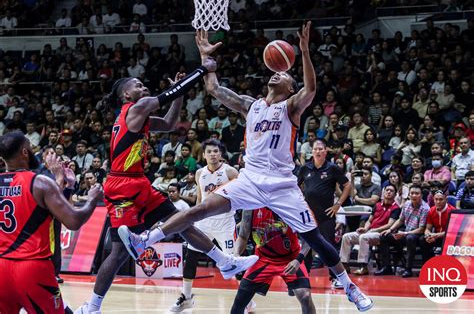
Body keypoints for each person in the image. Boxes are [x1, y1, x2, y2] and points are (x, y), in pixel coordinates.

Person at [119, 25, 373, 312]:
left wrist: (303, 51)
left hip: (281, 184)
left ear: (290, 87)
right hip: (250, 180)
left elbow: (311, 88)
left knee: (313, 237)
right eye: (276, 73)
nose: (277, 75)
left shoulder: (291, 107)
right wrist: (206, 61)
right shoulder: (250, 106)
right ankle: (145, 241)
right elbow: (213, 89)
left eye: (285, 76)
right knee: (199, 209)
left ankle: (350, 287)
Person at [75, 61, 257, 314]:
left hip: (139, 182)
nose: (143, 85)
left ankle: (224, 261)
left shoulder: (141, 117)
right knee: (118, 252)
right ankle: (91, 308)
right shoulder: (136, 107)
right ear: (127, 95)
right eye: (137, 84)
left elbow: (171, 122)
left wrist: (179, 94)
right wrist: (203, 70)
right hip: (121, 186)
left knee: (181, 221)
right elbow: (168, 95)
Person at [0, 131, 102, 313]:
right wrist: (92, 199)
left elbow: (39, 209)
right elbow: (73, 221)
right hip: (32, 267)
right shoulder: (39, 182)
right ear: (25, 152)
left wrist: (65, 184)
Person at [170, 139, 239, 312]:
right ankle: (186, 298)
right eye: (209, 152)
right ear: (204, 154)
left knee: (235, 264)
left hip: (225, 223)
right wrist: (195, 220)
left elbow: (240, 196)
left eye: (216, 151)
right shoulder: (200, 173)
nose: (213, 154)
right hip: (205, 222)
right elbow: (200, 200)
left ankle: (245, 300)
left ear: (221, 153)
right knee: (191, 258)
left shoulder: (230, 172)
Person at [231, 207, 316, 314]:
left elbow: (310, 237)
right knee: (240, 298)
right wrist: (236, 254)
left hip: (291, 258)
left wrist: (298, 260)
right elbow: (243, 236)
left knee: (305, 296)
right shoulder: (251, 207)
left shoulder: (291, 204)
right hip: (263, 258)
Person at [298, 139, 352, 288]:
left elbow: (347, 186)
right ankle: (304, 277)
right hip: (308, 216)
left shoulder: (332, 168)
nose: (318, 151)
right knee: (305, 246)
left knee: (329, 246)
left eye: (321, 149)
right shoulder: (305, 168)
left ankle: (336, 278)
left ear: (325, 151)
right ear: (312, 151)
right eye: (315, 149)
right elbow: (295, 187)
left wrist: (338, 204)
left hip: (326, 216)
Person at [340, 185, 401, 275]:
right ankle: (345, 265)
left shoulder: (396, 208)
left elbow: (389, 225)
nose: (388, 192)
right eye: (387, 190)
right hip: (370, 232)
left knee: (364, 237)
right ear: (383, 192)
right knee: (346, 236)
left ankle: (363, 266)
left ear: (395, 194)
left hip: (381, 234)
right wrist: (365, 228)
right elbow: (369, 220)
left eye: (391, 191)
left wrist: (375, 230)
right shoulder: (377, 205)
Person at [375, 185, 429, 277]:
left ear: (421, 195)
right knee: (384, 236)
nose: (414, 196)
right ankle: (387, 267)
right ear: (409, 195)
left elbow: (421, 229)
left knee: (410, 238)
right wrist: (390, 229)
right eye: (412, 193)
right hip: (405, 232)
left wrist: (404, 233)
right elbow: (400, 220)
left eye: (417, 193)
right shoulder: (407, 204)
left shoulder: (425, 208)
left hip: (417, 235)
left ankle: (408, 269)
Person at [420, 191, 457, 264]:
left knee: (450, 239)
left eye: (441, 199)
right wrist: (428, 235)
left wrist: (436, 235)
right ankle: (428, 265)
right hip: (436, 237)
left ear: (446, 200)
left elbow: (452, 231)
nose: (438, 202)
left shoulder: (452, 211)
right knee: (423, 239)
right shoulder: (431, 210)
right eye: (436, 199)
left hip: (448, 237)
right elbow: (428, 228)